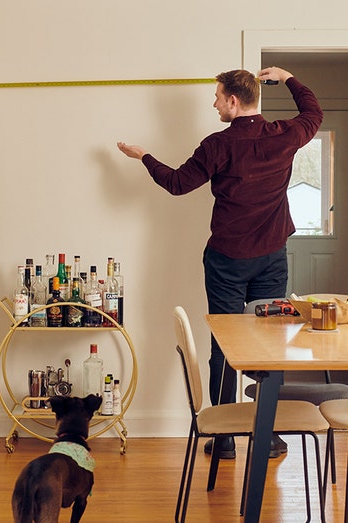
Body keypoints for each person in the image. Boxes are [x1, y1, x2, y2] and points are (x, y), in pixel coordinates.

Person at [117, 67, 322, 459]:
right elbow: (314, 112)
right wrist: (290, 77)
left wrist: (143, 155)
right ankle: (268, 434)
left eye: (217, 96)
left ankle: (225, 437)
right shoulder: (284, 135)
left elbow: (177, 183)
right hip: (271, 259)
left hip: (227, 261)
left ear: (233, 100)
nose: (213, 102)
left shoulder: (217, 145)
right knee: (271, 345)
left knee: (223, 346)